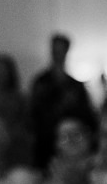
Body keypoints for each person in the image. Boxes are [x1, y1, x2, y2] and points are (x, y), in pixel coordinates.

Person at [29, 33, 94, 170]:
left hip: (71, 143)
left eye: (61, 50)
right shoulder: (41, 82)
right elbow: (34, 112)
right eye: (55, 50)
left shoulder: (75, 85)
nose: (57, 54)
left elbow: (86, 113)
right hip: (46, 141)